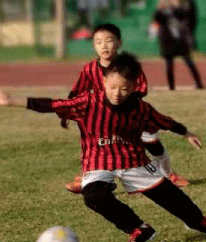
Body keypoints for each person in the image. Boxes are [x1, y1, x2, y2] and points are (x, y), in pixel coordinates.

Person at [0, 53, 206, 242]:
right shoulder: (88, 102)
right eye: (113, 86)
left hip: (133, 159)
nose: (117, 93)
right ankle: (138, 229)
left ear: (135, 87)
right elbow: (54, 104)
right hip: (97, 161)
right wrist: (13, 101)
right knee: (94, 197)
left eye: (125, 88)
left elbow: (164, 121)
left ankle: (197, 221)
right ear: (104, 81)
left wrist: (186, 132)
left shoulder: (141, 109)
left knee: (172, 198)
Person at [62, 23, 190, 194]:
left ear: (119, 43)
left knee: (153, 145)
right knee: (93, 146)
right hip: (103, 120)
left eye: (109, 41)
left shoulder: (129, 67)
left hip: (131, 117)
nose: (104, 46)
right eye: (98, 42)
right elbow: (77, 92)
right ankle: (86, 178)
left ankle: (168, 175)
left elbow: (141, 88)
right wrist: (67, 113)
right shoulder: (89, 69)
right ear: (93, 45)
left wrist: (123, 102)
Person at [152, 0, 205, 91]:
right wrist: (160, 9)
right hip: (168, 41)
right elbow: (157, 20)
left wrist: (175, 6)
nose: (168, 2)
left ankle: (199, 84)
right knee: (169, 64)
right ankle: (171, 87)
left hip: (180, 40)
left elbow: (184, 15)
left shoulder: (178, 10)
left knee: (189, 61)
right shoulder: (161, 12)